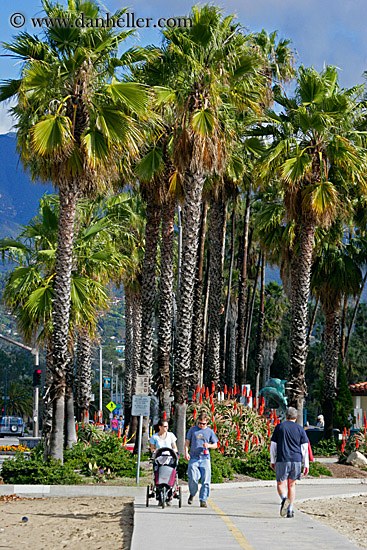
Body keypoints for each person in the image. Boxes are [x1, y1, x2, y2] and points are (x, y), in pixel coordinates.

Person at [270, 406, 309, 518]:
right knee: (292, 485)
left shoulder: (279, 427)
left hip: (282, 459)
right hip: (296, 460)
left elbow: (273, 445)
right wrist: (306, 464)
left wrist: (272, 460)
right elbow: (304, 447)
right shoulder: (300, 429)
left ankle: (283, 499)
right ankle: (290, 509)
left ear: (286, 416)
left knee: (280, 483)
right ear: (296, 417)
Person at [185, 412, 218, 508]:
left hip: (205, 458)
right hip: (194, 458)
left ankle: (203, 500)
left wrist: (209, 445)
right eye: (199, 423)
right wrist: (186, 453)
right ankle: (192, 493)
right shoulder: (193, 430)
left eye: (203, 424)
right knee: (193, 478)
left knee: (206, 481)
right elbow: (187, 442)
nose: (201, 425)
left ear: (207, 422)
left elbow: (215, 445)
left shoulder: (210, 432)